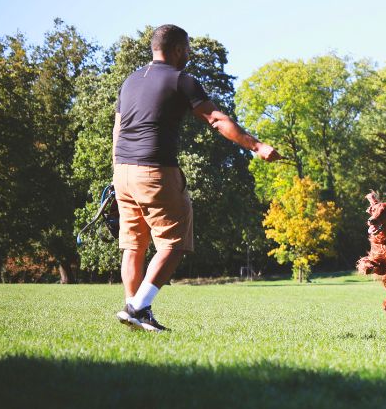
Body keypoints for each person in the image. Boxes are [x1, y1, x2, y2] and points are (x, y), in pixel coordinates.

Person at [113, 24, 280, 331]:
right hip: (155, 170)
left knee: (133, 246)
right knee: (174, 243)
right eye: (187, 49)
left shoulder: (130, 80)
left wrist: (117, 172)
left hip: (122, 171)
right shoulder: (182, 80)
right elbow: (216, 119)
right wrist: (256, 145)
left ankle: (134, 311)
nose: (188, 55)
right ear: (177, 49)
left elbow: (119, 129)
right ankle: (137, 308)